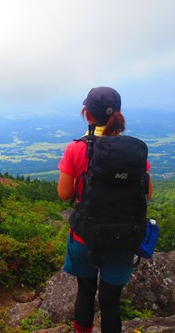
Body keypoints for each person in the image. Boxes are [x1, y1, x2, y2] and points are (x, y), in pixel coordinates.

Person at [57, 87, 153, 333]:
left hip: (84, 236)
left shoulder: (76, 149)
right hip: (123, 237)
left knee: (86, 291)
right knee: (111, 302)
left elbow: (64, 194)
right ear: (118, 114)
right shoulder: (133, 153)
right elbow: (148, 193)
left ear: (87, 114)